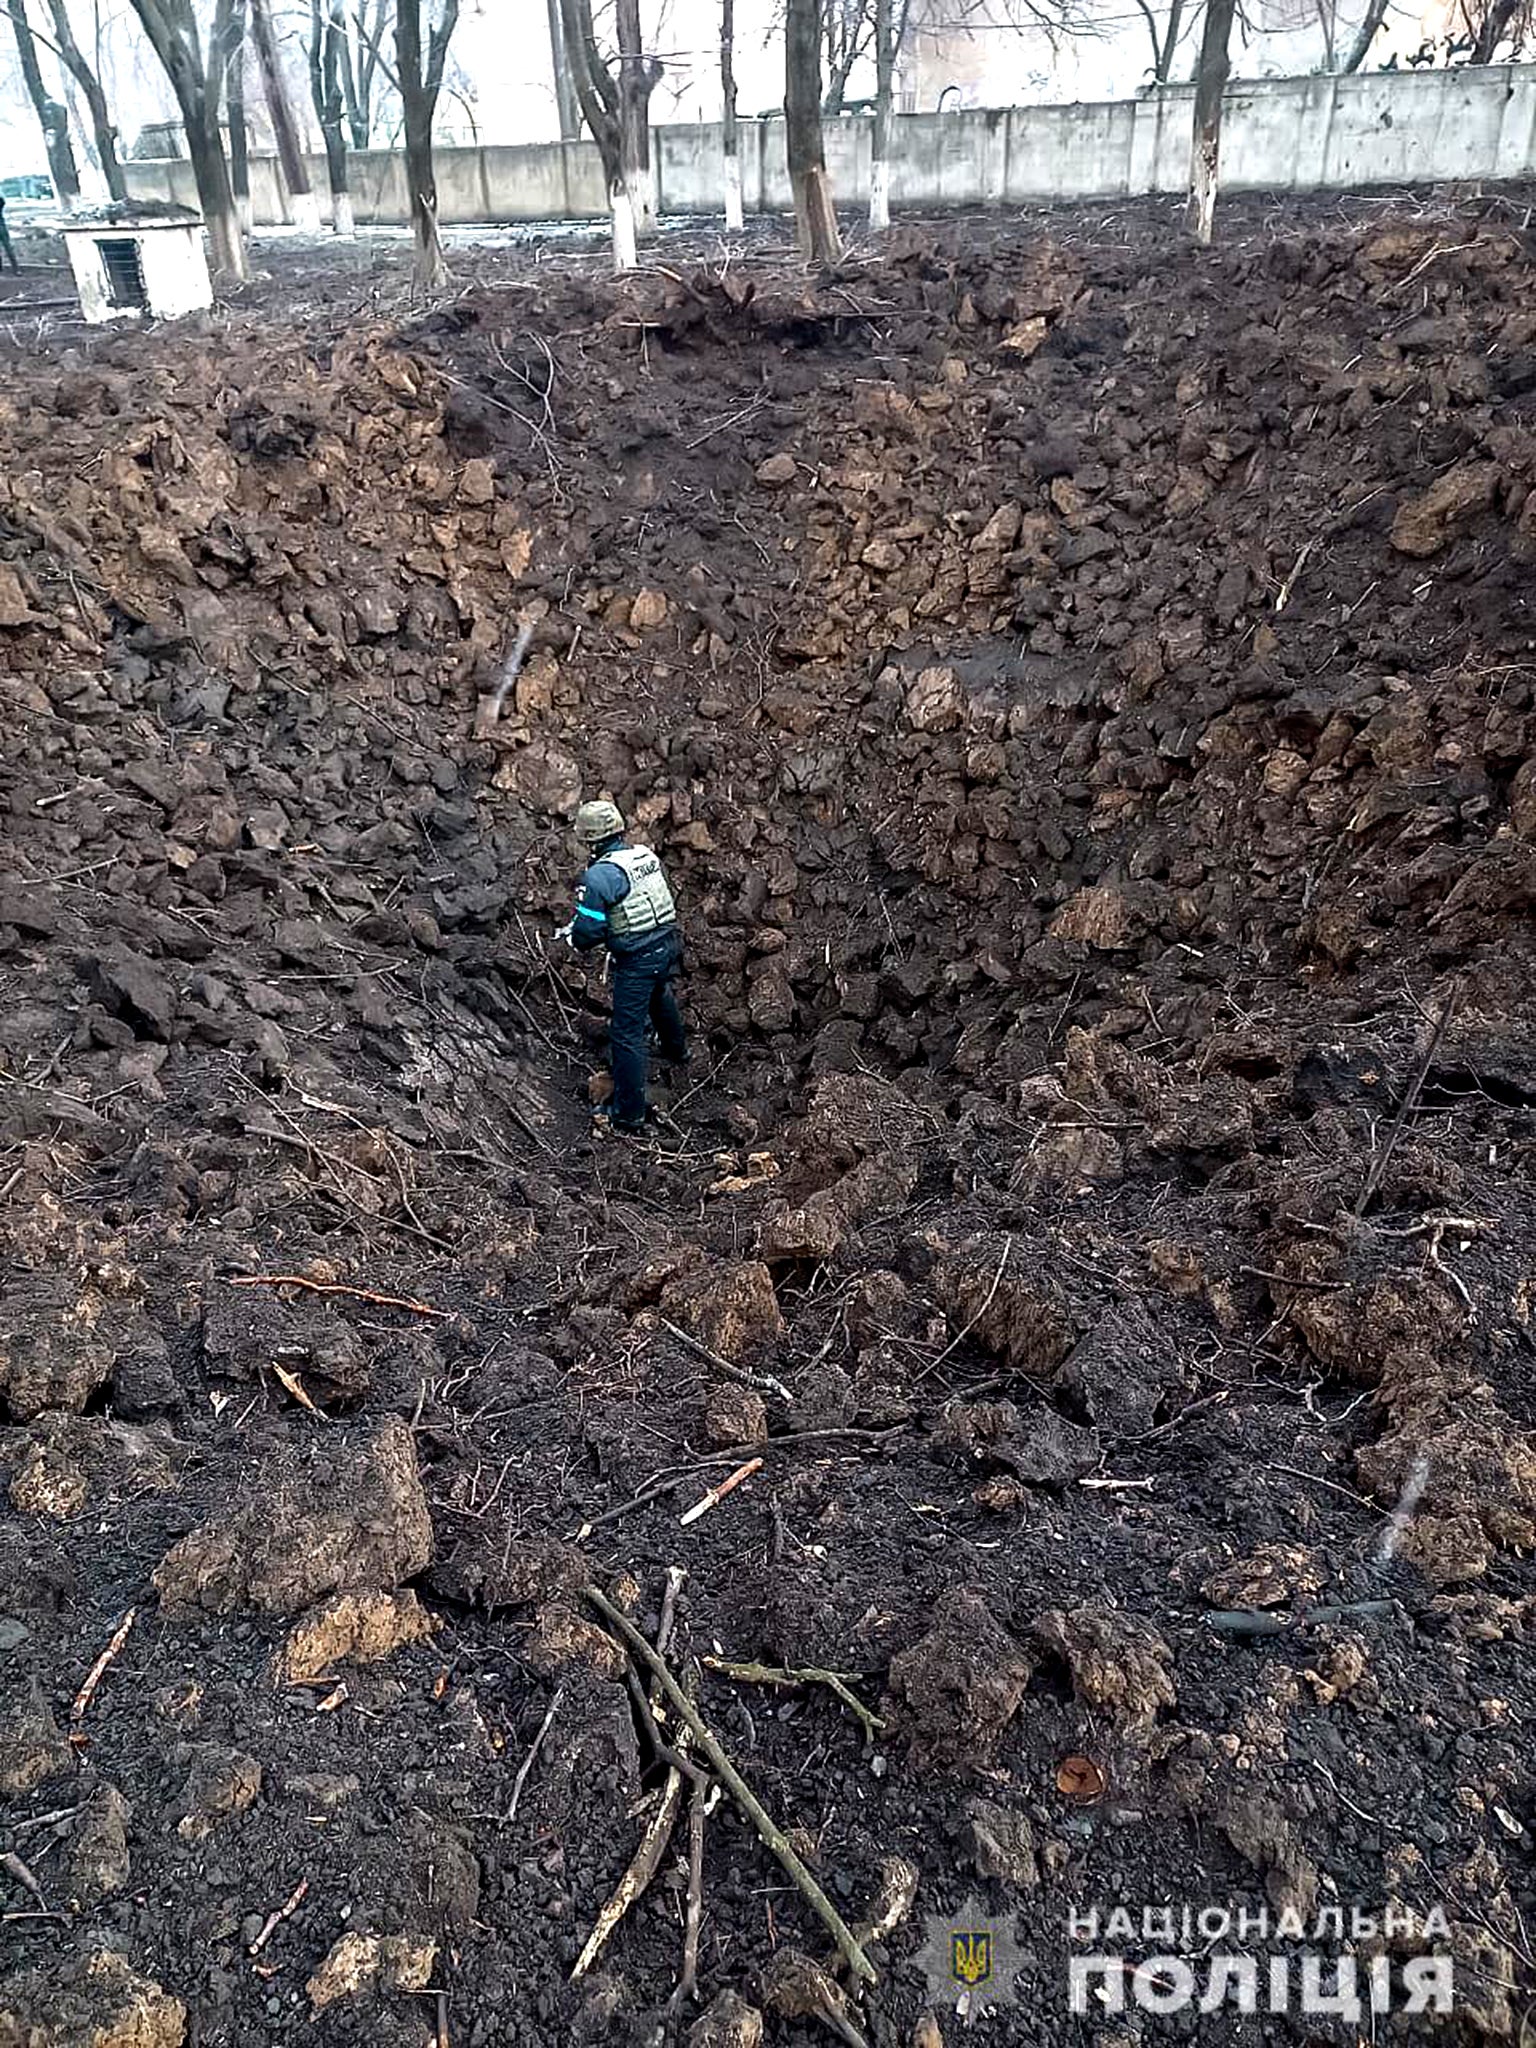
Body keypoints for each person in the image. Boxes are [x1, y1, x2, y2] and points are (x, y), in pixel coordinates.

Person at [559, 799, 687, 1135]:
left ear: (590, 840)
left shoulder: (599, 876)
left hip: (638, 957)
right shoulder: (644, 856)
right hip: (668, 944)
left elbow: (588, 931)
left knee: (626, 1033)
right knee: (660, 993)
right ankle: (678, 1051)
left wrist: (574, 940)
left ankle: (628, 1114)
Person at [0, 198, 18, 275]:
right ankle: (16, 268)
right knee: (8, 247)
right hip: (1, 226)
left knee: (8, 247)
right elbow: (2, 202)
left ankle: (0, 268)